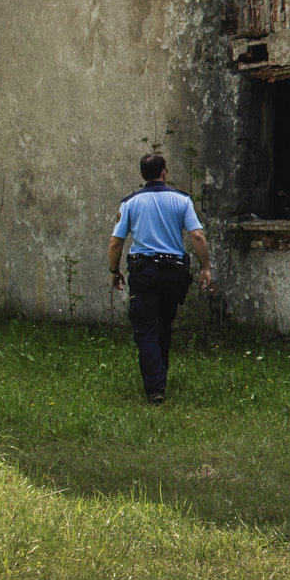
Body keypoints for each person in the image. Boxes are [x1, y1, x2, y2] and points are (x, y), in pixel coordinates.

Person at [108, 152, 213, 404]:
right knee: (164, 323)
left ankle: (155, 387)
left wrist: (114, 270)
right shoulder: (182, 200)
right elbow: (197, 236)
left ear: (142, 176)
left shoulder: (130, 203)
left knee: (145, 328)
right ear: (164, 173)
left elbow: (116, 242)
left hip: (144, 272)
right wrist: (205, 267)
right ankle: (159, 377)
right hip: (173, 272)